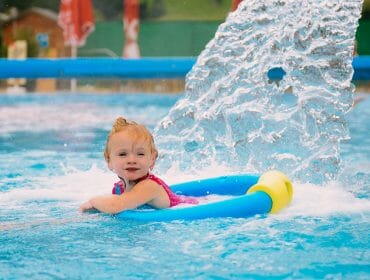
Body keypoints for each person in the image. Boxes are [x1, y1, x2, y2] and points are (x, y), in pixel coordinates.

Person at [79, 117, 198, 214]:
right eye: (123, 154)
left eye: (140, 154)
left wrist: (93, 201)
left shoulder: (149, 186)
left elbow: (115, 206)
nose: (132, 160)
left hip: (192, 208)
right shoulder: (118, 188)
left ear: (152, 159)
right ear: (109, 160)